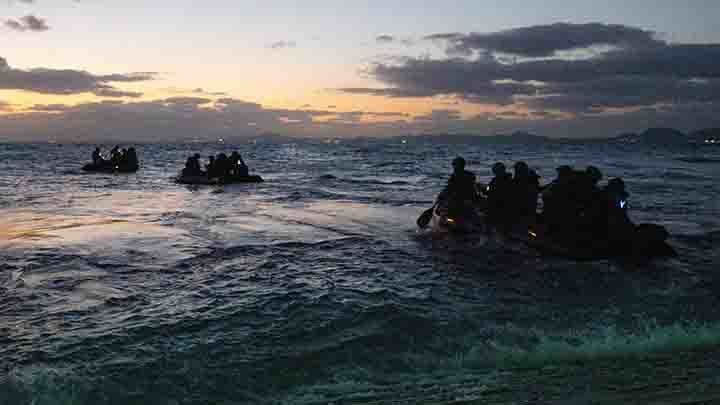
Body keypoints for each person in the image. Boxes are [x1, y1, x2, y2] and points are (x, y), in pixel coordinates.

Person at [487, 162, 514, 230]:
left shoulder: (497, 181)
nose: (495, 172)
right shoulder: (510, 180)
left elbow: (490, 192)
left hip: (500, 207)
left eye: (495, 171)